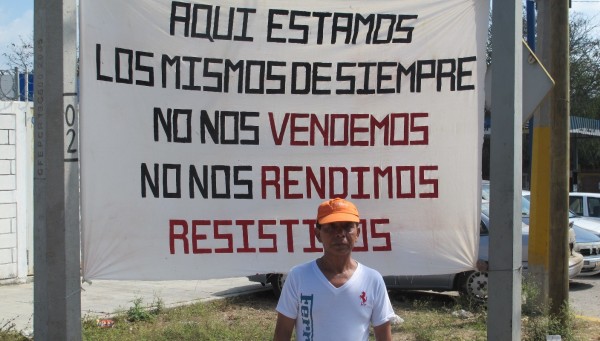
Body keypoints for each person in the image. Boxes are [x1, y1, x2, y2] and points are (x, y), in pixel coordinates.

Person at [273, 198, 395, 341]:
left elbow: (384, 336)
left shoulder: (372, 279)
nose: (340, 233)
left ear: (358, 233)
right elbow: (283, 333)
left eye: (347, 226)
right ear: (318, 234)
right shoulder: (298, 276)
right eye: (331, 226)